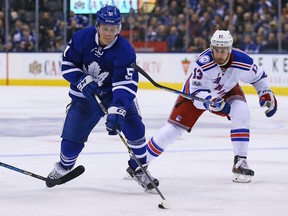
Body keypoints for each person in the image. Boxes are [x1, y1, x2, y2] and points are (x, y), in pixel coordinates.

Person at [46, 5, 159, 191]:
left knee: (135, 129)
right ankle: (65, 166)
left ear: (119, 28)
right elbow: (67, 64)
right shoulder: (82, 37)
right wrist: (81, 80)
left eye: (113, 28)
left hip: (114, 95)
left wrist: (118, 108)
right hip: (85, 96)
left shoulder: (125, 50)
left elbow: (125, 84)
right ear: (97, 26)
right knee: (71, 139)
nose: (109, 33)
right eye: (105, 28)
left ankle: (139, 169)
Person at [145, 30, 277, 183]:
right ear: (211, 47)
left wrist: (265, 93)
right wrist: (211, 102)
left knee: (241, 111)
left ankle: (240, 161)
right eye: (216, 50)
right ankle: (140, 162)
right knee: (171, 131)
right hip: (195, 95)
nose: (219, 54)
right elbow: (196, 94)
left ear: (230, 49)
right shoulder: (203, 63)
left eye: (223, 50)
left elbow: (259, 77)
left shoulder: (242, 61)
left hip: (226, 89)